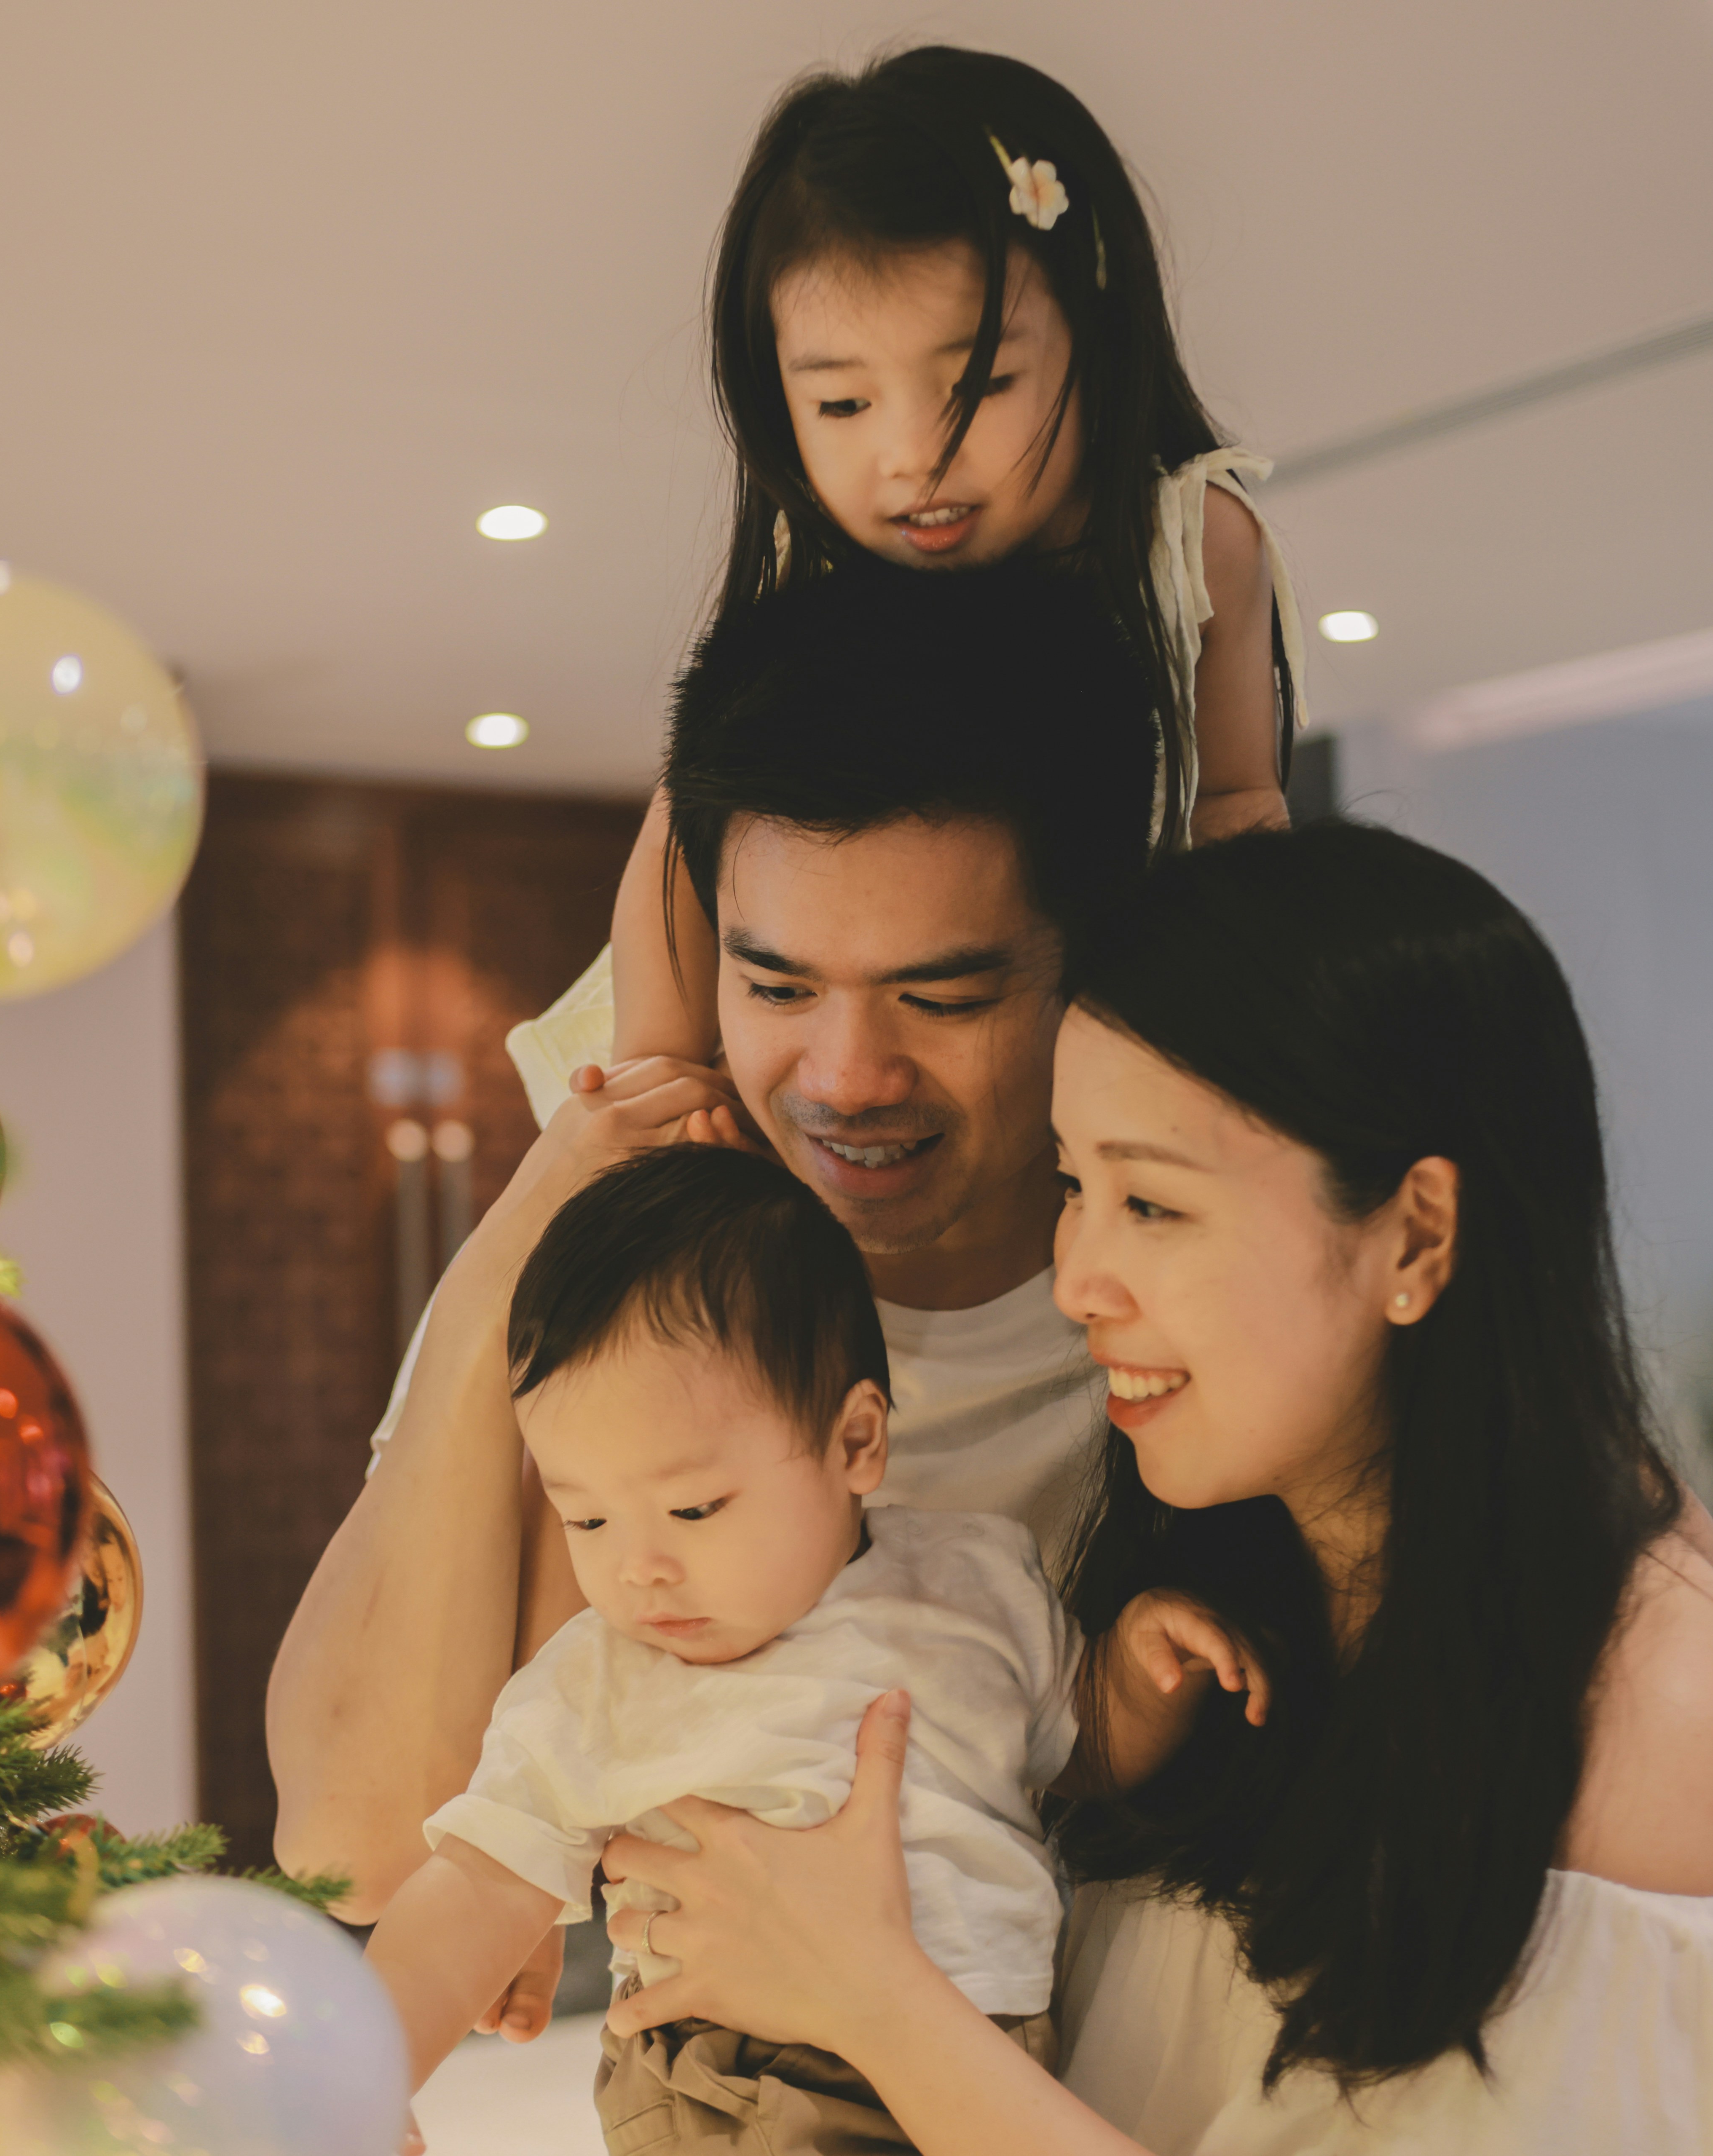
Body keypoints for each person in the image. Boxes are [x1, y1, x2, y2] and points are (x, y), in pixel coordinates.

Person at [595, 823, 1713, 2153]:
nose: (1081, 1275)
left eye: (1152, 1205)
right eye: (1074, 1185)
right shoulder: (1203, 1609)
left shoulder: (1646, 1695)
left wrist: (873, 1998)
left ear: (1418, 1233)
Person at [266, 557, 1158, 2052]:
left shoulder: (1154, 1291)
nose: (846, 1076)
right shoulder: (642, 1284)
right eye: (779, 984)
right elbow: (361, 1832)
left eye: (941, 997)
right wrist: (543, 1205)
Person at [368, 1144, 1230, 2154]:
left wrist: (1142, 1672)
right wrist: (362, 2076)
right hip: (734, 2076)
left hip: (979, 2061)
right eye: (586, 1520)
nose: (639, 1568)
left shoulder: (972, 1583)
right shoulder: (596, 1681)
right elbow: (474, 1890)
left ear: (855, 1442)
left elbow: (1074, 1747)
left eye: (692, 1507)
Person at [511, 44, 1311, 1117]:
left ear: (1096, 333)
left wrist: (1236, 1005)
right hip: (825, 1045)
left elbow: (1235, 796)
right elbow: (684, 836)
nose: (914, 459)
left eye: (977, 385)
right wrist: (667, 1066)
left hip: (1093, 1010)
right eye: (844, 405)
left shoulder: (1193, 540)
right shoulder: (821, 567)